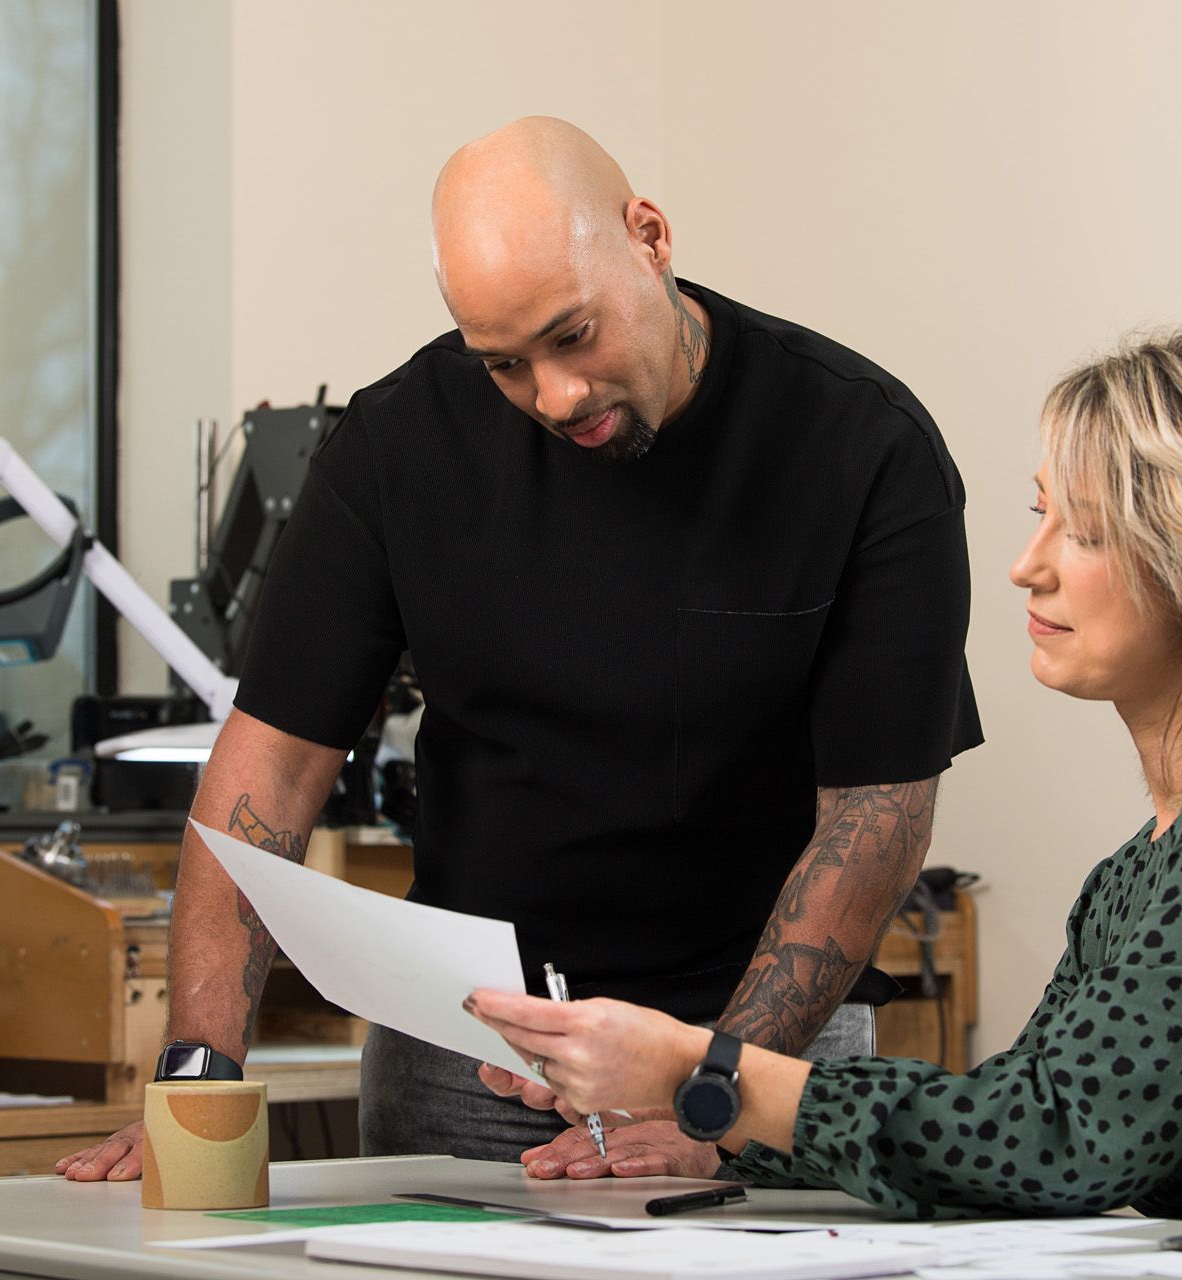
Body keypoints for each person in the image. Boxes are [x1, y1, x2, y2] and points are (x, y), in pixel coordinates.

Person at [466, 330, 1182, 1254]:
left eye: (1088, 527)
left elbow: (1058, 1141)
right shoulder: (1146, 866)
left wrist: (699, 1069)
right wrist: (721, 1136)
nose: (1031, 563)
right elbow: (1024, 1116)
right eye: (1039, 513)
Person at [55, 116, 981, 1180]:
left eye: (574, 335)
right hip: (474, 1057)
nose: (555, 396)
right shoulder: (400, 447)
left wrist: (717, 1087)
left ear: (650, 236)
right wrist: (197, 1074)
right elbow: (272, 764)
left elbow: (875, 815)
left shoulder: (861, 448)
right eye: (503, 362)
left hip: (759, 1055)